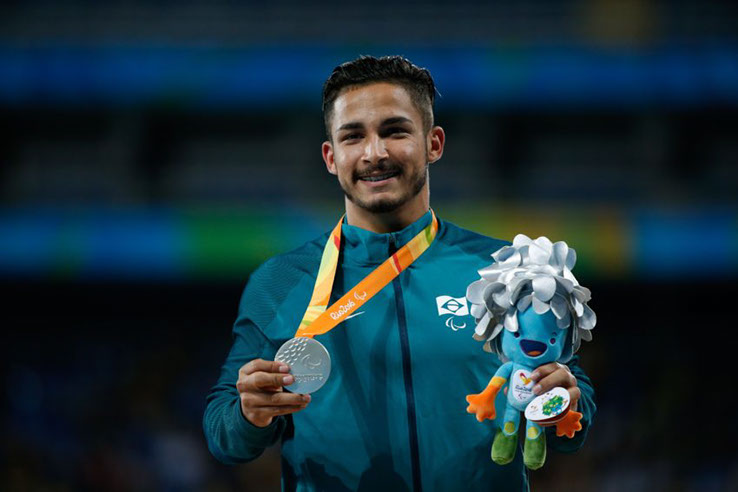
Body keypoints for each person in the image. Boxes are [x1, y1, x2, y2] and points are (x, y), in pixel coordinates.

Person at [203, 55, 596, 491]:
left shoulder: (506, 270)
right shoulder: (280, 282)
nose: (375, 153)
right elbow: (224, 435)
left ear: (434, 144)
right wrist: (248, 414)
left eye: (395, 131)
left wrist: (565, 402)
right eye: (353, 136)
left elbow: (573, 413)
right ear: (331, 157)